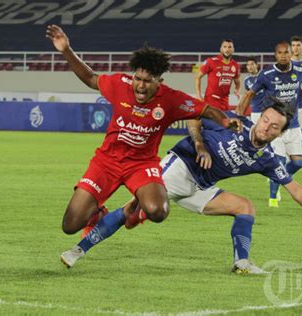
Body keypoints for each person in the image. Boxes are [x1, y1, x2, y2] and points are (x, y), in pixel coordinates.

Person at [60, 98, 302, 274]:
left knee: (245, 207)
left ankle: (241, 263)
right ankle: (78, 249)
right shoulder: (233, 124)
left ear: (279, 133)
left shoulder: (268, 159)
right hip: (179, 167)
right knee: (132, 210)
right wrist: (200, 146)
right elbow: (194, 120)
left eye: (273, 126)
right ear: (259, 117)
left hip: (202, 186)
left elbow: (296, 189)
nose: (266, 127)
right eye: (265, 120)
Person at [45, 25, 242, 238]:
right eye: (137, 78)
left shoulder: (171, 99)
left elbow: (205, 109)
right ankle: (98, 213)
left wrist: (225, 120)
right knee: (70, 225)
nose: (140, 85)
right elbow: (92, 78)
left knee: (158, 211)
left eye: (147, 81)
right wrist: (66, 50)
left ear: (159, 82)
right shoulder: (120, 84)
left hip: (141, 165)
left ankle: (130, 212)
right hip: (106, 162)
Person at [236, 41, 302, 208]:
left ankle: (276, 178)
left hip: (293, 124)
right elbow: (249, 94)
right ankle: (273, 199)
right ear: (275, 55)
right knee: (278, 161)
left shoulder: (301, 71)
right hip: (274, 127)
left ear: (290, 54)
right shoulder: (266, 74)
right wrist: (239, 115)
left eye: (286, 52)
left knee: (298, 163)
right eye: (280, 53)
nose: (283, 56)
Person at [194, 39, 241, 111]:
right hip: (211, 100)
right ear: (221, 49)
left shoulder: (235, 65)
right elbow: (197, 77)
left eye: (229, 47)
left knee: (225, 122)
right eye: (225, 47)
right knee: (212, 122)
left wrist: (237, 90)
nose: (227, 49)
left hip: (225, 102)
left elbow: (237, 80)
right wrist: (198, 95)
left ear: (233, 50)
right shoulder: (211, 61)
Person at [243, 57, 264, 123]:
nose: (250, 67)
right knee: (254, 131)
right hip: (255, 110)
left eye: (252, 64)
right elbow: (247, 95)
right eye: (248, 65)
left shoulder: (264, 76)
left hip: (266, 110)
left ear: (257, 65)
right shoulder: (246, 80)